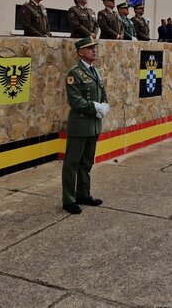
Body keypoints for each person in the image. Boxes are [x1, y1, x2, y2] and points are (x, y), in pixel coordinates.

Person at [62, 37, 109, 214]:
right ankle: (68, 199)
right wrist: (95, 107)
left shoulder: (96, 71)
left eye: (94, 48)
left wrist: (104, 104)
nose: (94, 51)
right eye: (90, 48)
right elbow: (76, 101)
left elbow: (102, 92)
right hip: (80, 124)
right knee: (72, 163)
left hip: (94, 123)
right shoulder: (74, 73)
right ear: (81, 52)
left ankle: (83, 194)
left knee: (87, 162)